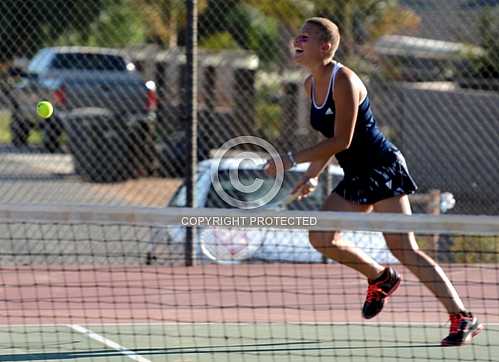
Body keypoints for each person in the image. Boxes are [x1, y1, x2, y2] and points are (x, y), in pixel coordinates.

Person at [264, 17, 482, 346]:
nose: (296, 40)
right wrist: (312, 176)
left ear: (325, 47)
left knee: (404, 249)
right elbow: (327, 137)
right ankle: (380, 277)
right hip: (356, 174)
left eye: (304, 37)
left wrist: (290, 160)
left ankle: (462, 316)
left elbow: (343, 141)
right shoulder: (311, 85)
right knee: (321, 237)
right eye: (298, 36)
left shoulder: (345, 81)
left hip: (382, 168)